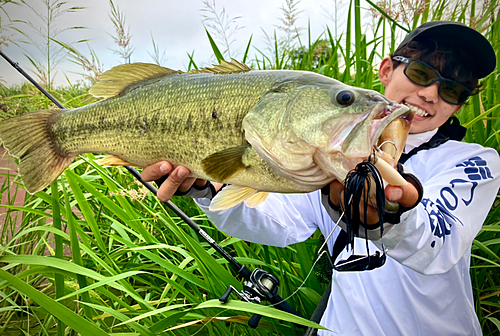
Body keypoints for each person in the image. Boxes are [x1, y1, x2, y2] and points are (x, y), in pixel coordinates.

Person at [141, 21, 500, 335]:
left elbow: (438, 244)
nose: (430, 94)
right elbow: (278, 225)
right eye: (421, 73)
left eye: (452, 89)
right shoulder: (325, 152)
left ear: (459, 104)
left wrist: (392, 215)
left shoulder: (473, 161)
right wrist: (209, 185)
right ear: (387, 69)